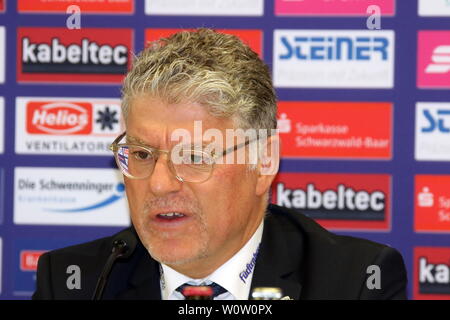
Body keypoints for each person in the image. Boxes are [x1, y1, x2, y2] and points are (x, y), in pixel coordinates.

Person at [32, 28, 407, 300]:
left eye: (194, 157)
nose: (160, 184)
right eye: (143, 154)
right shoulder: (76, 282)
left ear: (263, 161)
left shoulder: (354, 282)